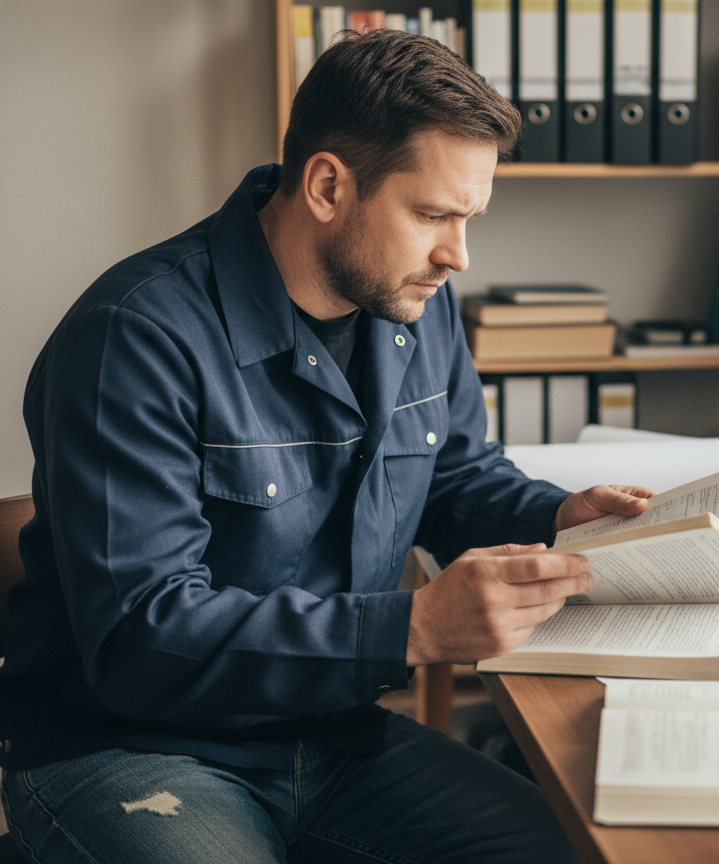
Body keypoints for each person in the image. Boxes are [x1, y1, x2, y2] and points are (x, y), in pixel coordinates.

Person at [0, 29, 651, 864]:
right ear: (327, 185)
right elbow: (141, 637)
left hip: (329, 740)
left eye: (469, 218)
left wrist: (560, 513)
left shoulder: (415, 301)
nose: (458, 254)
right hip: (127, 747)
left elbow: (452, 477)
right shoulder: (132, 337)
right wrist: (411, 628)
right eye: (433, 215)